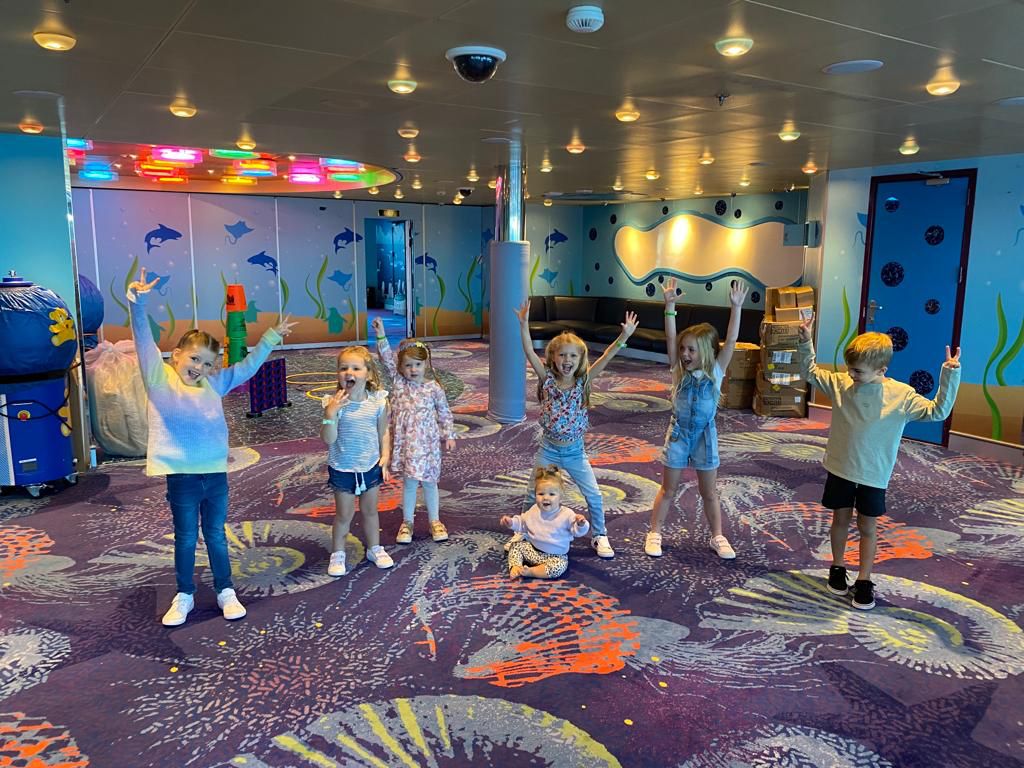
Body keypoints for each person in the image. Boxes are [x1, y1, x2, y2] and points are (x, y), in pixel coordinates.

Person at [128, 268, 295, 626]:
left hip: (215, 475)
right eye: (194, 359)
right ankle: (184, 594)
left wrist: (269, 338)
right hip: (183, 478)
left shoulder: (213, 385)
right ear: (176, 356)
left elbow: (247, 368)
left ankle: (225, 590)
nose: (199, 367)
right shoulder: (160, 381)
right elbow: (143, 342)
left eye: (207, 363)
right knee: (186, 538)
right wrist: (138, 303)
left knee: (217, 535)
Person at [798, 319, 961, 609]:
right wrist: (806, 339)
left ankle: (864, 579)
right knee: (840, 520)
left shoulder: (901, 396)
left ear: (882, 370)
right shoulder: (841, 383)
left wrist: (950, 374)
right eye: (849, 368)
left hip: (874, 474)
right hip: (841, 468)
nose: (851, 374)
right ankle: (837, 568)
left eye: (858, 371)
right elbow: (809, 372)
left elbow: (938, 411)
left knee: (867, 527)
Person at [513, 300, 638, 559]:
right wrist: (524, 324)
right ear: (552, 358)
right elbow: (527, 350)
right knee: (531, 492)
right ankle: (523, 529)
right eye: (562, 355)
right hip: (548, 448)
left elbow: (606, 356)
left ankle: (600, 535)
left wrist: (624, 336)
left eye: (573, 355)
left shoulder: (584, 381)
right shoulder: (546, 378)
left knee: (593, 494)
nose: (567, 360)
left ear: (580, 359)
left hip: (574, 452)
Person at [644, 278, 748, 560]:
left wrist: (736, 307)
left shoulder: (716, 371)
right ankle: (655, 532)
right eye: (684, 349)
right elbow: (670, 338)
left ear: (707, 352)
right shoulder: (678, 371)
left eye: (692, 350)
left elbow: (733, 340)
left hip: (705, 436)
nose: (685, 354)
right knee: (668, 488)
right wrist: (669, 307)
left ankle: (717, 535)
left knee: (709, 492)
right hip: (678, 435)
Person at [371, 317, 456, 545]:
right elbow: (386, 359)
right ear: (401, 367)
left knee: (430, 483)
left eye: (417, 364)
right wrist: (381, 335)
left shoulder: (433, 388)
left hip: (428, 447)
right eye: (408, 365)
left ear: (426, 365)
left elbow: (444, 412)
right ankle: (407, 522)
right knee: (409, 484)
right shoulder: (399, 383)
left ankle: (435, 521)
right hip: (407, 446)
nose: (413, 369)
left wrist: (448, 434)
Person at [321, 346, 393, 577]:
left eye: (355, 368)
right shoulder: (333, 404)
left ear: (368, 374)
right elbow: (328, 439)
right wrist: (330, 414)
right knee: (344, 514)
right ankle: (338, 553)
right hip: (343, 468)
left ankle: (374, 548)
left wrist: (385, 456)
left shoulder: (378, 402)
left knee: (371, 511)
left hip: (370, 466)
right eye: (343, 368)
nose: (348, 372)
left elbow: (383, 432)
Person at [499, 466, 590, 579]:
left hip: (555, 556)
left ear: (560, 497)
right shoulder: (534, 510)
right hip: (533, 550)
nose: (545, 498)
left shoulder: (566, 514)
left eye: (552, 494)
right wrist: (511, 522)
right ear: (535, 494)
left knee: (559, 566)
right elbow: (522, 523)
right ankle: (516, 567)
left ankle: (532, 571)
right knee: (516, 546)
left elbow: (576, 531)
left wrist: (581, 524)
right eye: (541, 494)